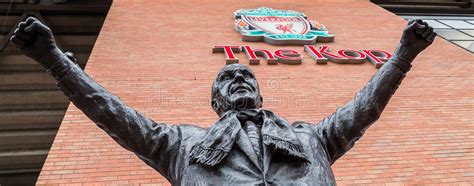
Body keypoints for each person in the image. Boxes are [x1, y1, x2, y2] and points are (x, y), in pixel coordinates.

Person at [10, 17, 435, 185]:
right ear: (216, 100)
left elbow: (363, 110)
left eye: (244, 74)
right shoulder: (180, 143)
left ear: (259, 91)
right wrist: (55, 62)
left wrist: (402, 56)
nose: (237, 79)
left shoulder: (310, 138)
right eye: (227, 78)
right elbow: (114, 115)